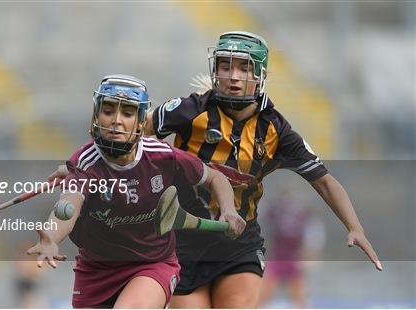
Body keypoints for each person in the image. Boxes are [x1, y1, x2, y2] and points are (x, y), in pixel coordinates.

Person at [141, 31, 382, 308]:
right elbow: (136, 138)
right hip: (183, 242)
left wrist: (355, 227)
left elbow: (324, 181)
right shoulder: (189, 110)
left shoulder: (275, 129)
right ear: (215, 69)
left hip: (239, 242)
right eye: (226, 66)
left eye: (245, 68)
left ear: (260, 75)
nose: (233, 76)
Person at [27, 75, 246, 308]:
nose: (116, 121)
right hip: (96, 271)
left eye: (128, 113)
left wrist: (229, 210)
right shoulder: (85, 164)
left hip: (152, 265)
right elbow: (67, 207)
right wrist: (50, 238)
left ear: (141, 122)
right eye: (108, 111)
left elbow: (214, 177)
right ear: (96, 116)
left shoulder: (162, 155)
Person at [258, 188, 325, 308]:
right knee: (263, 294)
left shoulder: (305, 216)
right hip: (276, 258)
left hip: (294, 260)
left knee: (299, 297)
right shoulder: (274, 212)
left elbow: (313, 240)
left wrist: (309, 258)